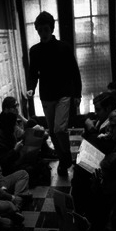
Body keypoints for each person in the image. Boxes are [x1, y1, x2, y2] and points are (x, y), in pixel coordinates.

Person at [26, 11, 82, 176]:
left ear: (51, 28)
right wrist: (31, 87)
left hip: (64, 94)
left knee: (59, 129)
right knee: (52, 131)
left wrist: (77, 94)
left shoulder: (63, 47)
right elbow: (33, 73)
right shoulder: (35, 50)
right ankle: (64, 161)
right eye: (40, 30)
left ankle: (66, 157)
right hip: (46, 95)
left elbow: (74, 72)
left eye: (45, 29)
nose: (43, 33)